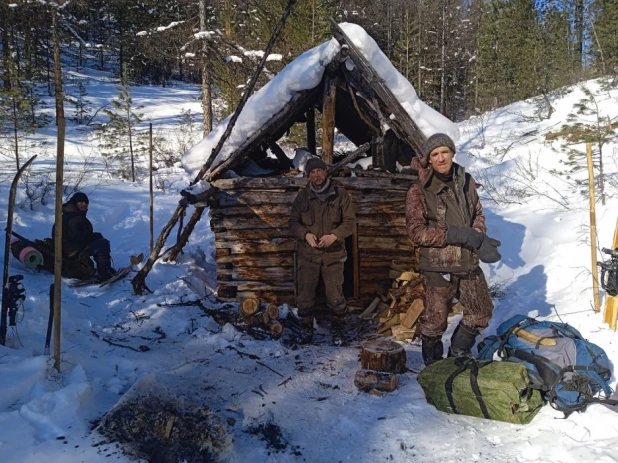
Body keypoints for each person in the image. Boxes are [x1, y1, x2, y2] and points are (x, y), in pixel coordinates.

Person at [405, 133, 501, 366]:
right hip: (439, 265)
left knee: (480, 310)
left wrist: (477, 236)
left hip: (467, 260)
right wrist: (455, 234)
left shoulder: (466, 181)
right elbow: (415, 232)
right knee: (436, 319)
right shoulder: (418, 190)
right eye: (435, 154)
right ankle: (434, 365)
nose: (440, 158)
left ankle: (458, 352)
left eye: (444, 152)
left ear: (452, 153)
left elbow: (478, 212)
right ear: (429, 159)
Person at [289, 157, 356, 344]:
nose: (316, 175)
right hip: (308, 255)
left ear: (325, 172)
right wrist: (306, 235)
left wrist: (334, 235)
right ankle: (306, 329)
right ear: (308, 176)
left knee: (335, 295)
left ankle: (337, 330)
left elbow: (350, 223)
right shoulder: (302, 198)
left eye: (319, 171)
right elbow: (293, 222)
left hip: (333, 254)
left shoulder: (340, 194)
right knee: (305, 294)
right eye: (312, 172)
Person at [52, 192, 116, 281]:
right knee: (102, 244)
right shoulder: (73, 219)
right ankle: (104, 274)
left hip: (68, 248)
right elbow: (79, 238)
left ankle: (105, 268)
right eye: (81, 202)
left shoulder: (72, 214)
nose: (84, 204)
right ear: (75, 203)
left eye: (86, 202)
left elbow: (81, 235)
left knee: (98, 239)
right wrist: (94, 238)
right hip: (71, 251)